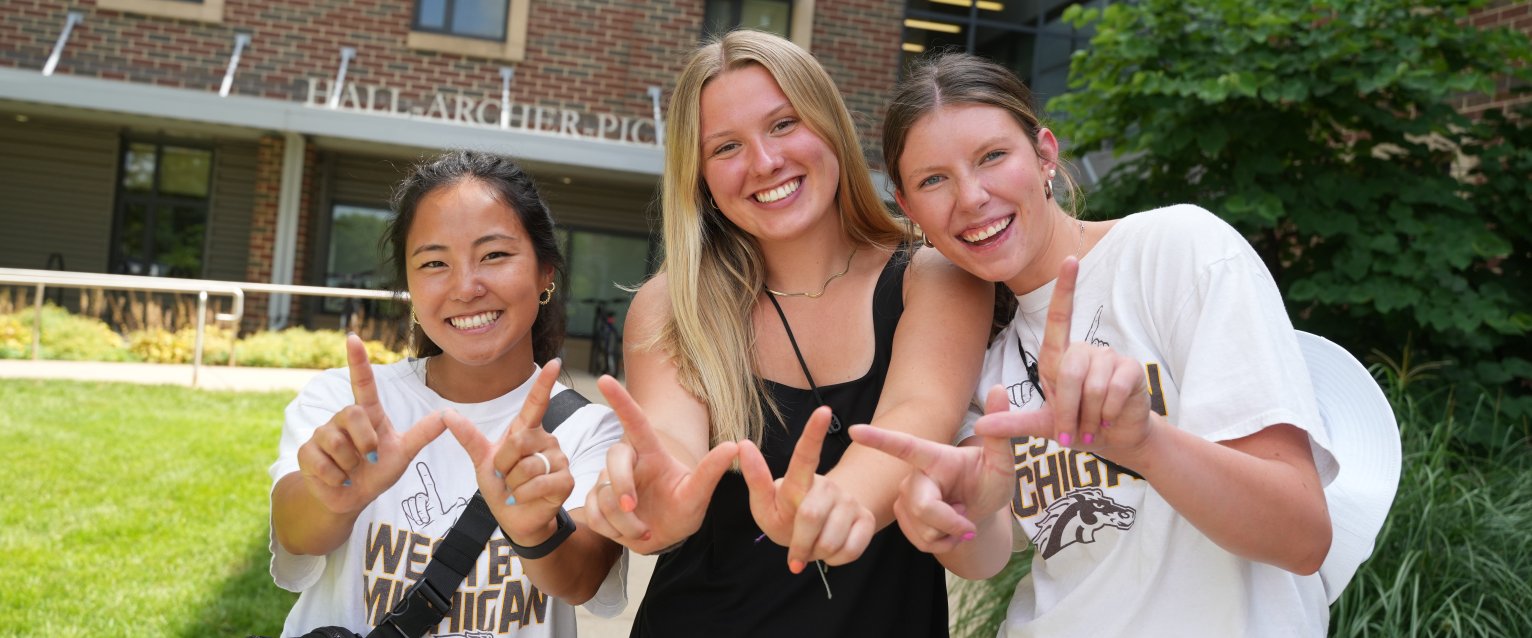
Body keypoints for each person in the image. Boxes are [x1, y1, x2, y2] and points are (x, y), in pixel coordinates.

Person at [851, 53, 1339, 636]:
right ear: (907, 207)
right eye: (934, 180)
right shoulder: (981, 354)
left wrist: (1145, 442)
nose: (972, 196)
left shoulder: (1177, 252)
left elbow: (1301, 536)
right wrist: (964, 513)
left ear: (1045, 154)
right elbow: (986, 558)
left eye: (992, 157)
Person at [580, 30, 992, 636]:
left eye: (782, 124)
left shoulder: (931, 278)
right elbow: (670, 436)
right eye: (725, 147)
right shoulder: (673, 302)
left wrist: (842, 499)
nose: (765, 162)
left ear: (829, 125)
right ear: (700, 179)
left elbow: (918, 411)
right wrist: (658, 488)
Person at [266, 151, 626, 638]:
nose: (466, 287)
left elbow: (583, 578)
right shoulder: (343, 401)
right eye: (435, 262)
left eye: (494, 255)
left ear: (546, 272)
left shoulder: (588, 432)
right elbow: (294, 532)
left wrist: (539, 529)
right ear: (410, 285)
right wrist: (333, 499)